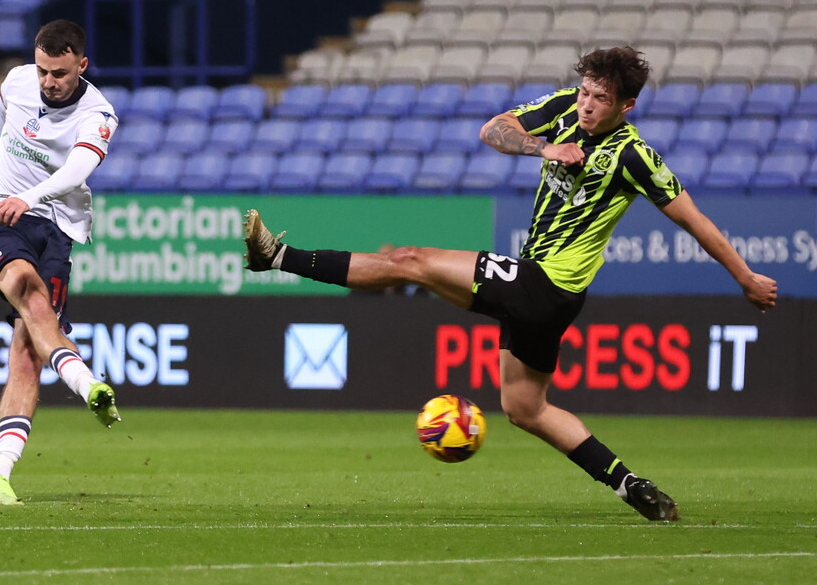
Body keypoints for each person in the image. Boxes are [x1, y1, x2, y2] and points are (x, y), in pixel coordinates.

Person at [243, 47, 778, 522]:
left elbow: (694, 220)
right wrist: (541, 148)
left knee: (409, 260)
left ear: (626, 107)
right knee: (527, 409)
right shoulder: (567, 107)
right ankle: (631, 486)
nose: (588, 104)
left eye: (601, 98)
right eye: (587, 92)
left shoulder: (635, 156)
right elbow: (494, 129)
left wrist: (746, 277)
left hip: (545, 285)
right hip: (544, 294)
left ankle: (279, 256)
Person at [0, 19, 122, 506]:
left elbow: (78, 169)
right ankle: (87, 382)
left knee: (27, 352)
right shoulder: (18, 80)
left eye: (58, 72)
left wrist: (29, 196)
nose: (48, 82)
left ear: (81, 64)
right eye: (42, 71)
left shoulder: (99, 114)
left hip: (55, 228)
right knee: (29, 291)